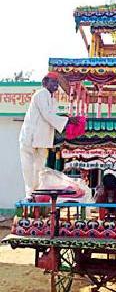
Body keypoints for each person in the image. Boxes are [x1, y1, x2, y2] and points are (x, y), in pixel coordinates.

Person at [19, 71, 77, 200]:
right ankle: (30, 194)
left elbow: (50, 116)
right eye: (53, 81)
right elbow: (47, 114)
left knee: (39, 168)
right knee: (29, 167)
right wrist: (67, 120)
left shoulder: (52, 99)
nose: (56, 84)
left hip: (41, 139)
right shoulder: (41, 93)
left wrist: (66, 118)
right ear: (45, 83)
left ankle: (35, 193)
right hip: (30, 137)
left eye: (57, 82)